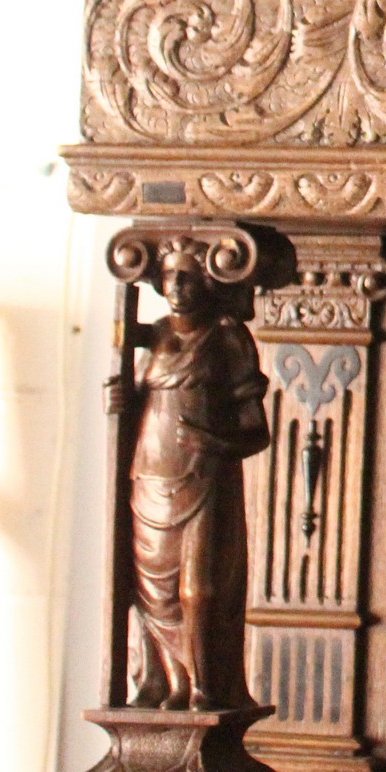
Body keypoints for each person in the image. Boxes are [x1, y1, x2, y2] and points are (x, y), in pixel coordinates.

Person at [107, 239, 273, 710]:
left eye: (187, 276)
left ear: (207, 280)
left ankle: (207, 685)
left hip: (202, 481)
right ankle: (170, 683)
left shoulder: (226, 336)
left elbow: (256, 431)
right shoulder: (154, 336)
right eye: (169, 277)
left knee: (198, 592)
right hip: (150, 481)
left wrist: (216, 444)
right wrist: (118, 404)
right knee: (151, 595)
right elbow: (139, 406)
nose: (176, 287)